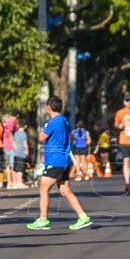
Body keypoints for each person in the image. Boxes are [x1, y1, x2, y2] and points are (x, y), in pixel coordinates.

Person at [26, 96, 93, 231]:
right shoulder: (64, 120)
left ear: (49, 107)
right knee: (64, 190)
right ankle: (83, 216)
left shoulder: (53, 122)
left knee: (43, 187)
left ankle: (43, 219)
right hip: (64, 159)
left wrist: (44, 129)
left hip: (54, 160)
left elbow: (41, 137)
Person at [12, 118, 29, 188]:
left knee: (16, 169)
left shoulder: (15, 133)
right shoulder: (24, 134)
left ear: (18, 125)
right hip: (21, 153)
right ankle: (20, 183)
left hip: (15, 153)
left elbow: (14, 142)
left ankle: (15, 183)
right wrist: (27, 149)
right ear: (25, 126)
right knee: (20, 170)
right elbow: (25, 143)